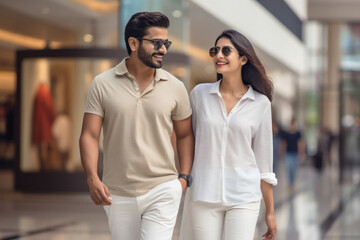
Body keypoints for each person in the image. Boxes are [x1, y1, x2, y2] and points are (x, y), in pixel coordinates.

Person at [79, 12, 194, 240]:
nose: (163, 49)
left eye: (166, 43)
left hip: (163, 188)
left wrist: (183, 179)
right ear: (133, 43)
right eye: (157, 43)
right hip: (118, 193)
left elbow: (185, 135)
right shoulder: (102, 84)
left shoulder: (176, 87)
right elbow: (89, 135)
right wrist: (92, 178)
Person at [180, 29, 277, 240]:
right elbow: (186, 140)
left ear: (243, 59)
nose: (219, 56)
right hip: (204, 194)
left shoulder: (261, 103)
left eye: (226, 50)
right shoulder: (199, 95)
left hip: (244, 196)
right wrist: (182, 177)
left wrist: (269, 212)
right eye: (215, 50)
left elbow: (264, 163)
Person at [280, 118, 305, 191]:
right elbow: (284, 143)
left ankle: (292, 183)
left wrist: (301, 153)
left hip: (295, 153)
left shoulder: (298, 133)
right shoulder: (286, 133)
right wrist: (282, 152)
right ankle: (290, 183)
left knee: (294, 169)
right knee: (289, 168)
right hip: (288, 153)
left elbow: (300, 143)